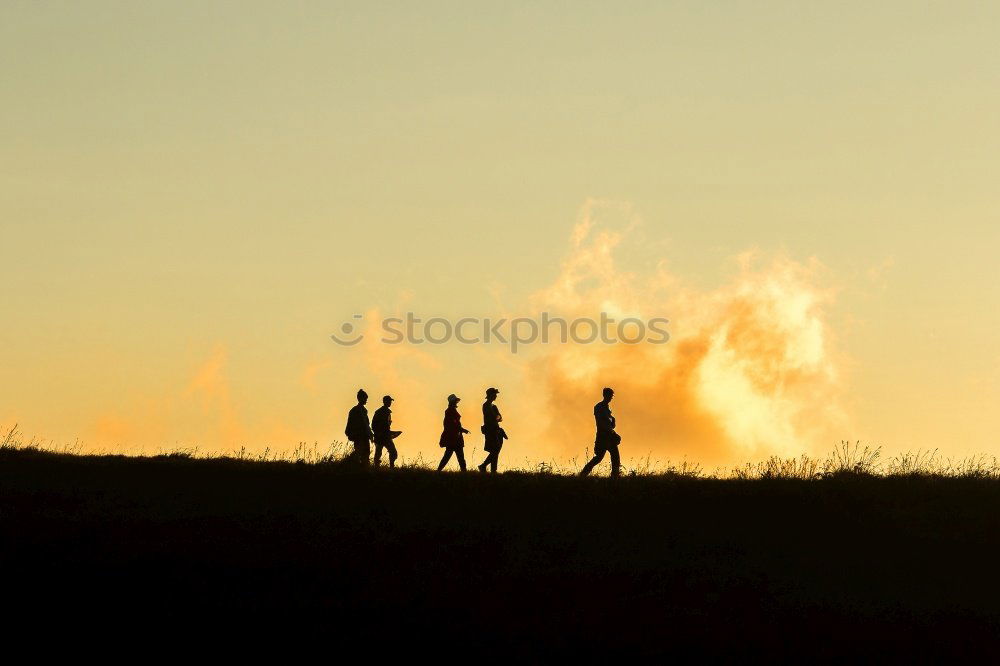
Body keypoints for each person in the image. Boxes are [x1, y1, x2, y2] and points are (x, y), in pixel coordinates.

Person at [580, 387, 621, 477]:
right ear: (604, 395)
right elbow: (600, 423)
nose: (610, 398)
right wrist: (612, 432)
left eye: (611, 396)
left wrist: (613, 422)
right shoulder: (599, 407)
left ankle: (615, 477)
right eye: (609, 395)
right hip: (603, 436)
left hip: (608, 436)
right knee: (599, 458)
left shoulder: (607, 409)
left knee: (615, 458)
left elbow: (611, 425)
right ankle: (583, 475)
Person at [437, 393, 470, 471]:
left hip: (453, 437)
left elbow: (453, 424)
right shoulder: (450, 411)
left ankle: (439, 470)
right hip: (454, 438)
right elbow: (453, 424)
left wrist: (461, 429)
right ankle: (464, 472)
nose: (456, 402)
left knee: (449, 456)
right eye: (455, 401)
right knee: (459, 457)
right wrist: (462, 430)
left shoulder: (450, 411)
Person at [478, 387, 504, 473]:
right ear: (491, 395)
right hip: (490, 430)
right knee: (495, 450)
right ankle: (484, 466)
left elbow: (500, 417)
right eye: (494, 394)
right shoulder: (486, 405)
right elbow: (494, 417)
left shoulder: (493, 406)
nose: (496, 396)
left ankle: (492, 470)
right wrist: (497, 417)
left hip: (496, 430)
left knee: (495, 450)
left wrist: (497, 417)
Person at [372, 395, 402, 468]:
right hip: (383, 436)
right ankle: (385, 467)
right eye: (389, 401)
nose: (390, 403)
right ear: (385, 402)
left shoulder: (384, 412)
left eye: (390, 401)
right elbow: (375, 425)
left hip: (383, 436)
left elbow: (376, 425)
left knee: (383, 453)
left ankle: (384, 467)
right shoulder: (381, 412)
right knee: (391, 452)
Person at [344, 389, 374, 464]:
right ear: (360, 398)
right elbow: (352, 424)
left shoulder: (362, 410)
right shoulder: (356, 410)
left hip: (363, 435)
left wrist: (370, 434)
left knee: (365, 453)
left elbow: (366, 424)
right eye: (365, 398)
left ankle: (363, 469)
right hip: (359, 435)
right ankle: (351, 464)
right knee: (360, 453)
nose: (366, 400)